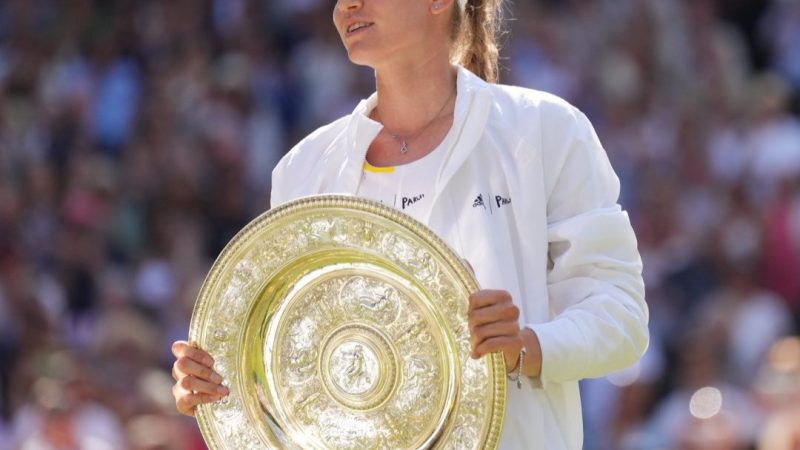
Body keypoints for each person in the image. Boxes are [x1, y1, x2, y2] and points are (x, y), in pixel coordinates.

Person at [171, 0, 650, 448]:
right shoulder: (303, 170)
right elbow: (298, 368)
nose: (346, 6)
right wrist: (221, 381)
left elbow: (622, 317)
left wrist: (528, 345)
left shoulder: (546, 130)